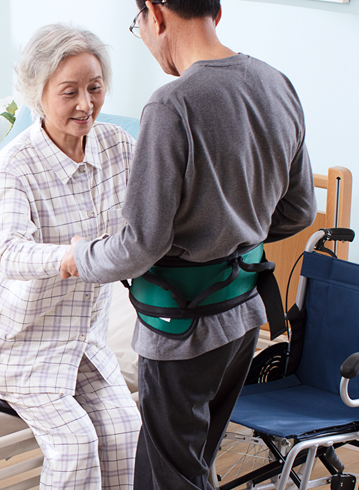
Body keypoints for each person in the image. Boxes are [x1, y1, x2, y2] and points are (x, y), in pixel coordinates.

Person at [60, 2, 317, 489]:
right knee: (195, 465)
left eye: (137, 25)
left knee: (168, 476)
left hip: (181, 326)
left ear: (156, 15)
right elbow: (299, 211)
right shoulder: (276, 84)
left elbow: (141, 244)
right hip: (243, 317)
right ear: (214, 14)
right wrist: (235, 233)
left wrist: (81, 256)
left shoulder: (171, 105)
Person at [0, 24, 141, 490]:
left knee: (127, 432)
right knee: (76, 444)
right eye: (69, 92)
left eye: (95, 88)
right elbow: (8, 251)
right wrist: (72, 257)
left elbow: (151, 212)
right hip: (18, 343)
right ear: (38, 94)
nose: (86, 104)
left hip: (82, 339)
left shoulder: (118, 145)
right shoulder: (16, 164)